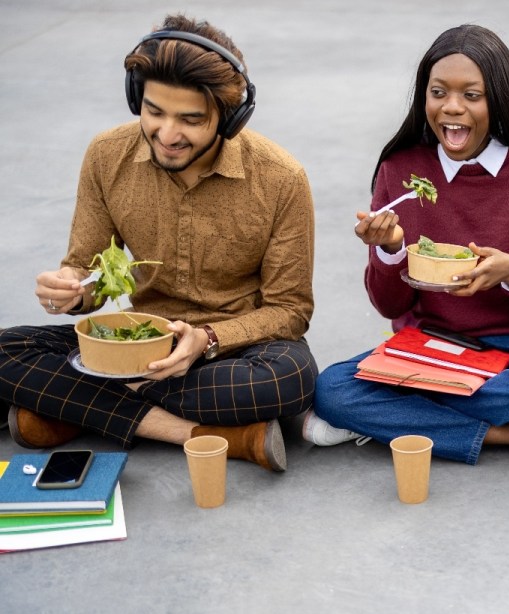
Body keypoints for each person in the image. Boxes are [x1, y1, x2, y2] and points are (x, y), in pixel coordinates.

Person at [0, 14, 317, 471]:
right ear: (136, 99)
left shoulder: (282, 179)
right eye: (154, 112)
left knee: (292, 380)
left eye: (190, 120)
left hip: (230, 352)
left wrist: (207, 339)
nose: (167, 135)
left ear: (229, 117)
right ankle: (208, 435)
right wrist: (70, 290)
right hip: (137, 344)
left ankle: (71, 408)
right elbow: (87, 273)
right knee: (7, 349)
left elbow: (290, 310)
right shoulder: (107, 155)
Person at [303, 25, 509, 470]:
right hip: (430, 344)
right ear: (424, 98)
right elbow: (387, 304)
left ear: (500, 99)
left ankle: (390, 421)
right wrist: (391, 250)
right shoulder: (400, 168)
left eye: (472, 95)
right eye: (438, 92)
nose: (452, 108)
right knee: (332, 389)